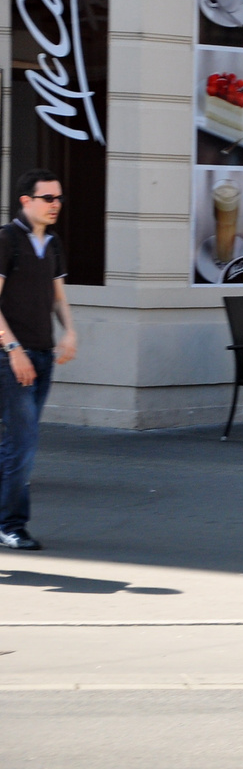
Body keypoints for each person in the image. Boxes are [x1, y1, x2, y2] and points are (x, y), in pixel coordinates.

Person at [0, 169, 79, 550]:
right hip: (13, 358)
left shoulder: (53, 243)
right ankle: (12, 524)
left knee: (16, 442)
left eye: (59, 198)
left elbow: (59, 298)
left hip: (44, 356)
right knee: (23, 442)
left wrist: (70, 331)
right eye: (48, 198)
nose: (56, 205)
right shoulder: (6, 240)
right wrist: (13, 351)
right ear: (26, 201)